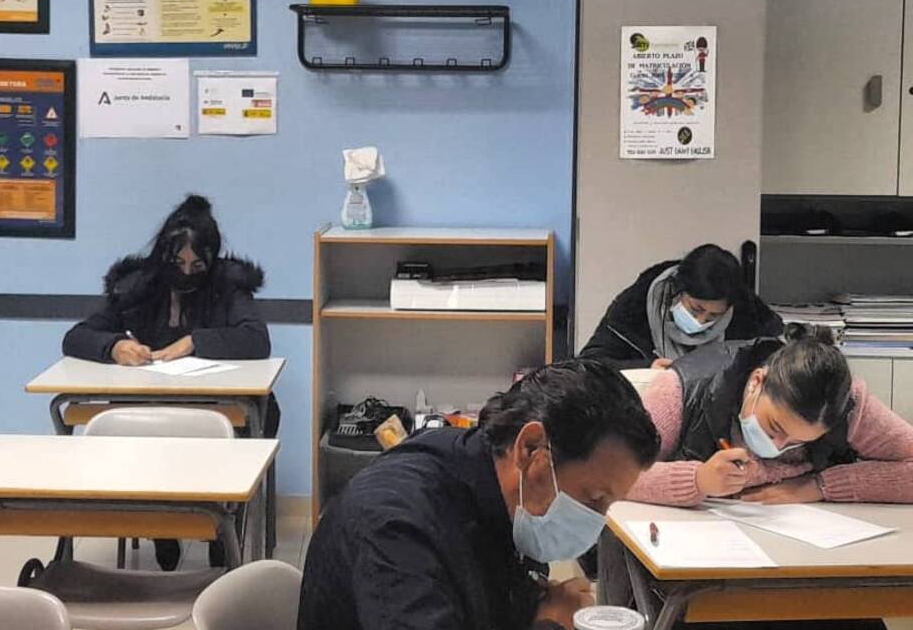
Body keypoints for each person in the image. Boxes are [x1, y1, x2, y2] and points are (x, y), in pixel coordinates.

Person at [298, 360, 662, 630]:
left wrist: (537, 604)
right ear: (532, 449)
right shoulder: (398, 527)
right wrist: (548, 624)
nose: (595, 521)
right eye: (594, 498)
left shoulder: (492, 484)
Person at [599, 325, 913, 630]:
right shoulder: (685, 389)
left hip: (800, 560)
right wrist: (698, 480)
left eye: (799, 442)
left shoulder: (842, 404)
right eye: (775, 427)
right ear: (756, 382)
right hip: (698, 568)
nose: (778, 448)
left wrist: (822, 486)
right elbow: (608, 474)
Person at [62, 194, 274, 571]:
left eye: (197, 264)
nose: (187, 272)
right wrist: (114, 346)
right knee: (148, 443)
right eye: (177, 263)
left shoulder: (227, 285)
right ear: (163, 257)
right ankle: (162, 527)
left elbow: (256, 340)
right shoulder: (139, 286)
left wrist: (196, 341)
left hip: (217, 407)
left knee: (243, 435)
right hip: (152, 406)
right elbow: (76, 336)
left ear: (211, 261)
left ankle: (221, 527)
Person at [580, 244, 783, 370]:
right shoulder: (636, 306)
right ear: (676, 291)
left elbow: (775, 368)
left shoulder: (748, 319)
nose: (701, 322)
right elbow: (589, 364)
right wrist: (645, 369)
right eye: (695, 309)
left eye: (714, 316)